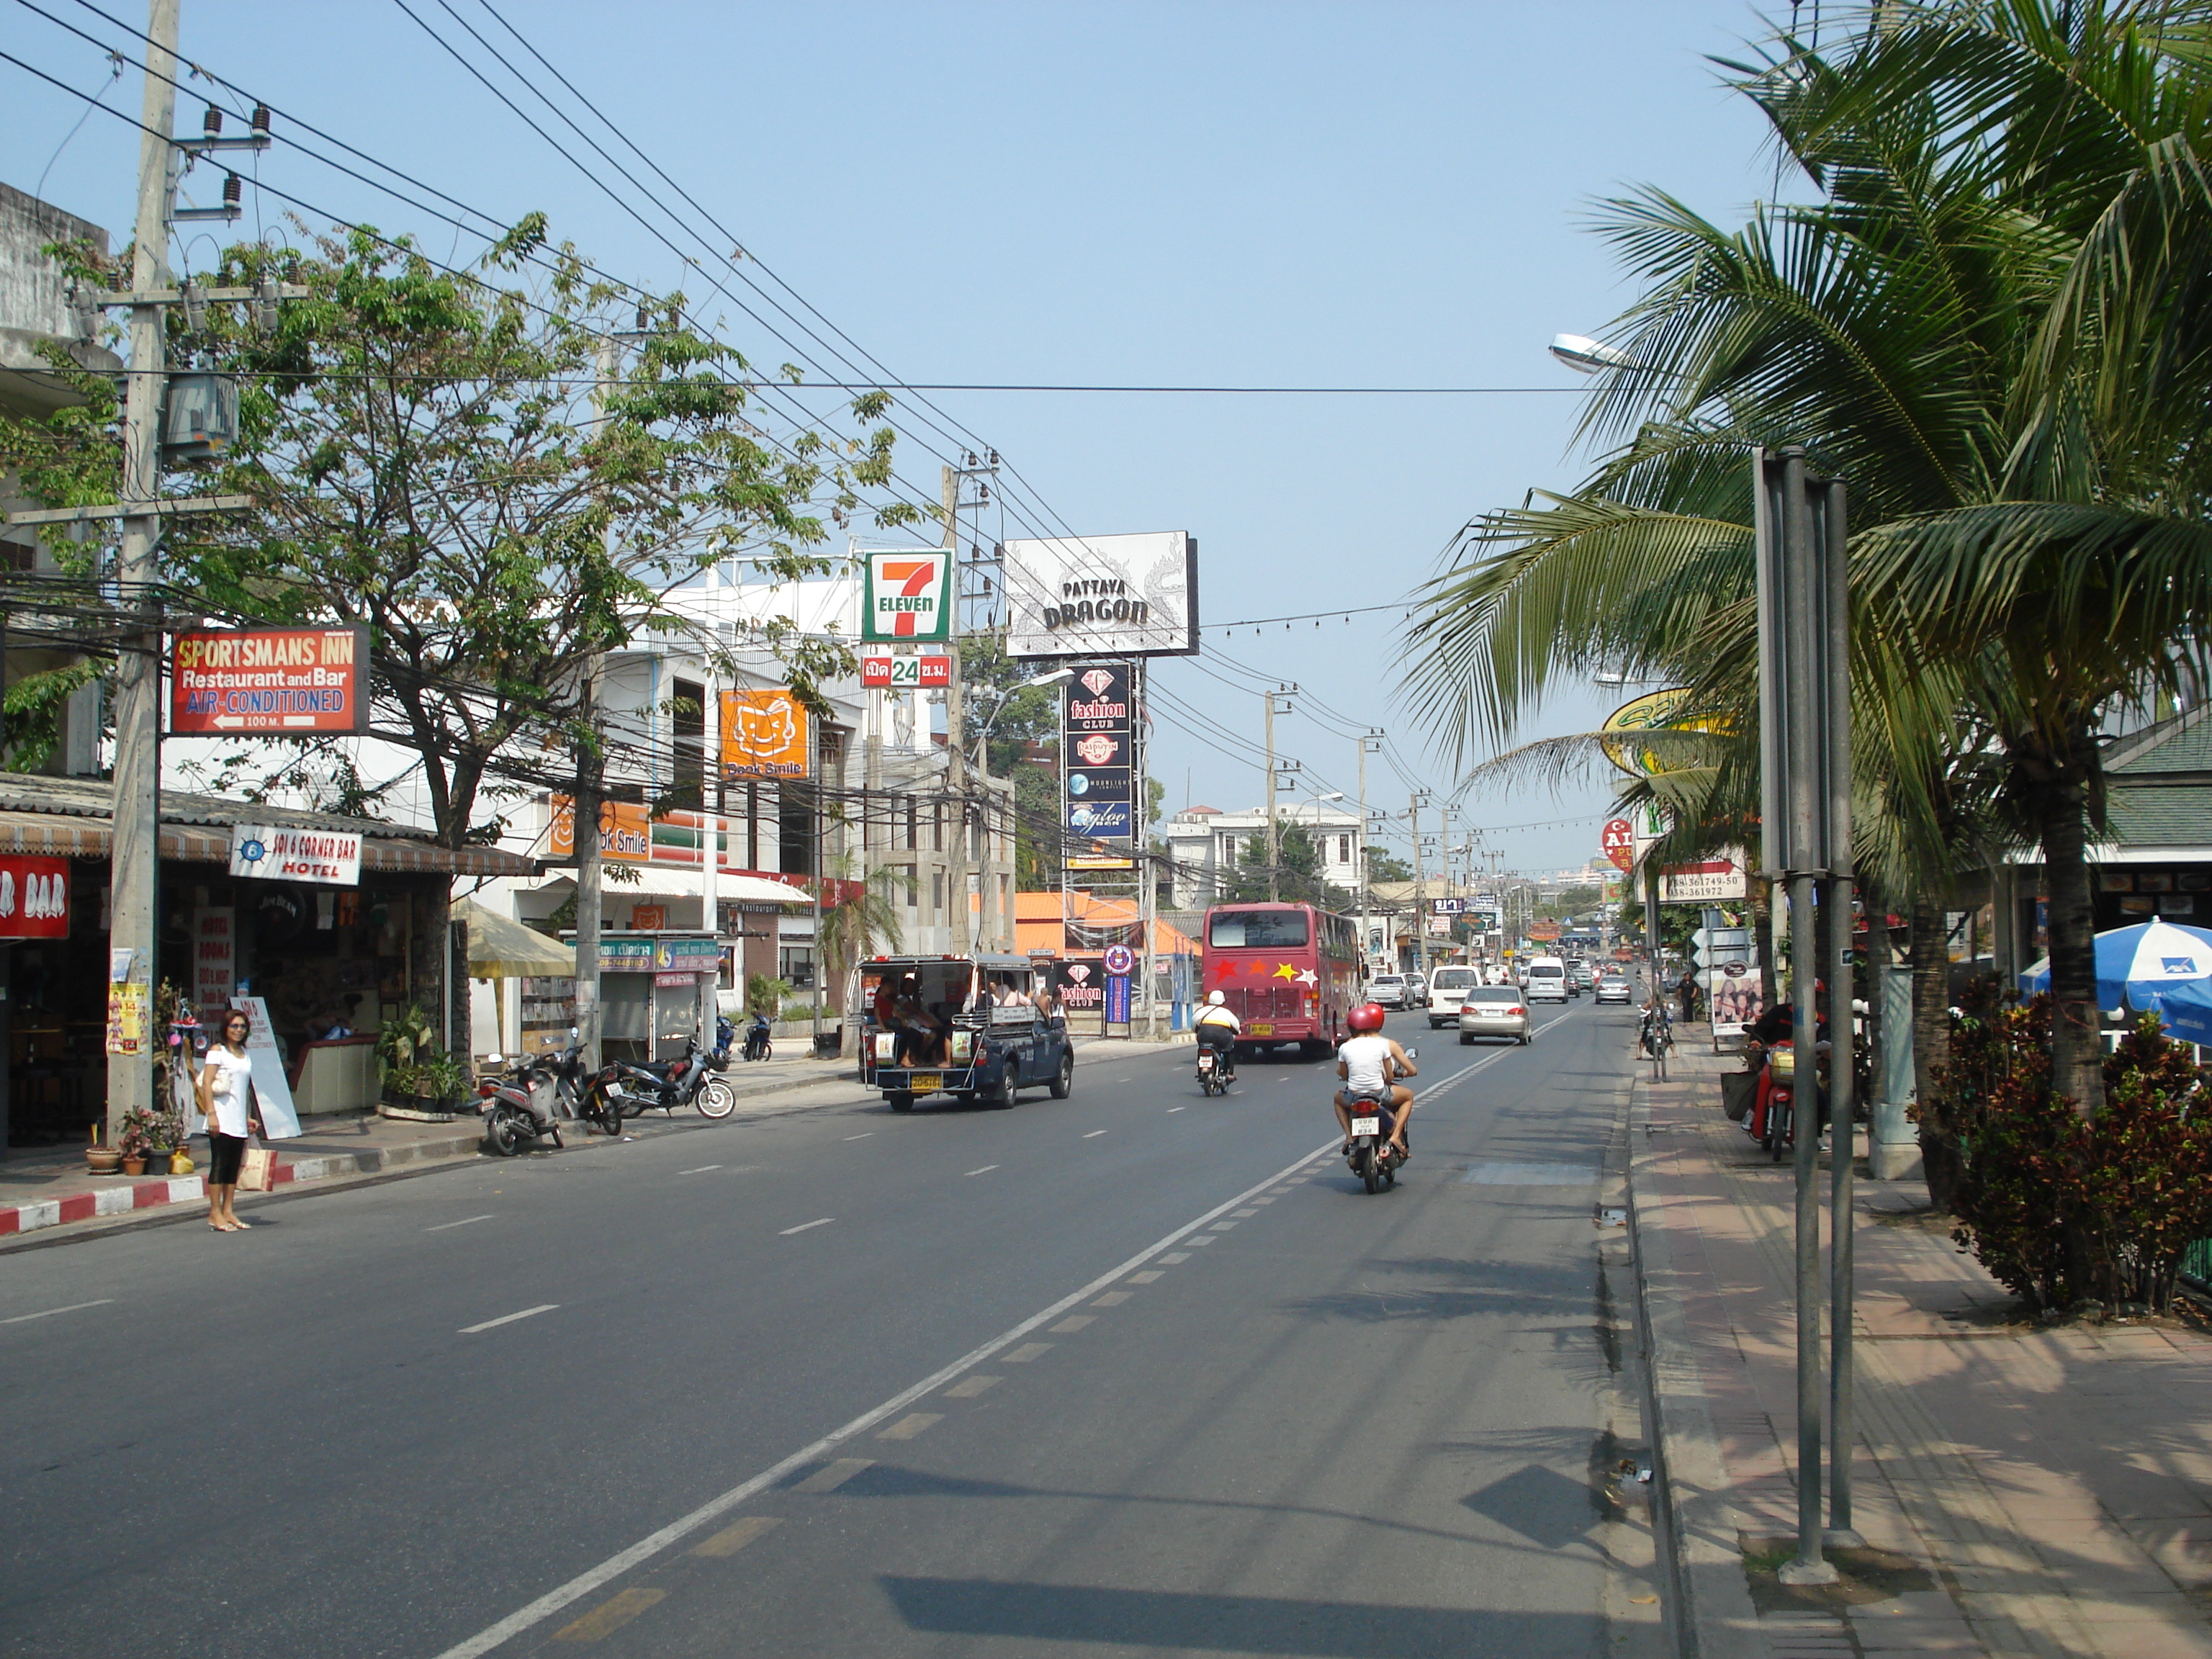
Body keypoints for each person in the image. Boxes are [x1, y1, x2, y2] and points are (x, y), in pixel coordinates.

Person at [197, 1008, 264, 1233]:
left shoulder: (244, 1053)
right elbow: (207, 1083)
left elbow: (242, 1090)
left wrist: (246, 1117)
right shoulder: (218, 1051)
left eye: (242, 1026)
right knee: (220, 1163)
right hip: (221, 1116)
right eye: (234, 1026)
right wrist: (212, 1114)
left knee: (233, 1166)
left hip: (237, 1118)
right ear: (226, 1028)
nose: (238, 1030)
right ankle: (214, 1213)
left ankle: (228, 1210)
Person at [1334, 1002, 1418, 1158]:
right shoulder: (1383, 1045)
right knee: (1408, 1096)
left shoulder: (1345, 1047)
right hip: (1379, 1093)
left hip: (1354, 1095)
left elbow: (1344, 1074)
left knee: (1337, 1099)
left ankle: (1349, 1137)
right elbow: (1390, 1076)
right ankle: (1395, 1137)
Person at [1193, 989, 1241, 1083]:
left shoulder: (1201, 1011)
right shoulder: (1226, 1012)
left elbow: (1193, 1025)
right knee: (1229, 1050)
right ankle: (1229, 1073)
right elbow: (1236, 1026)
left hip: (1203, 1035)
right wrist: (1237, 1032)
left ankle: (1200, 1071)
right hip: (1221, 1036)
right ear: (1223, 1000)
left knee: (1202, 1049)